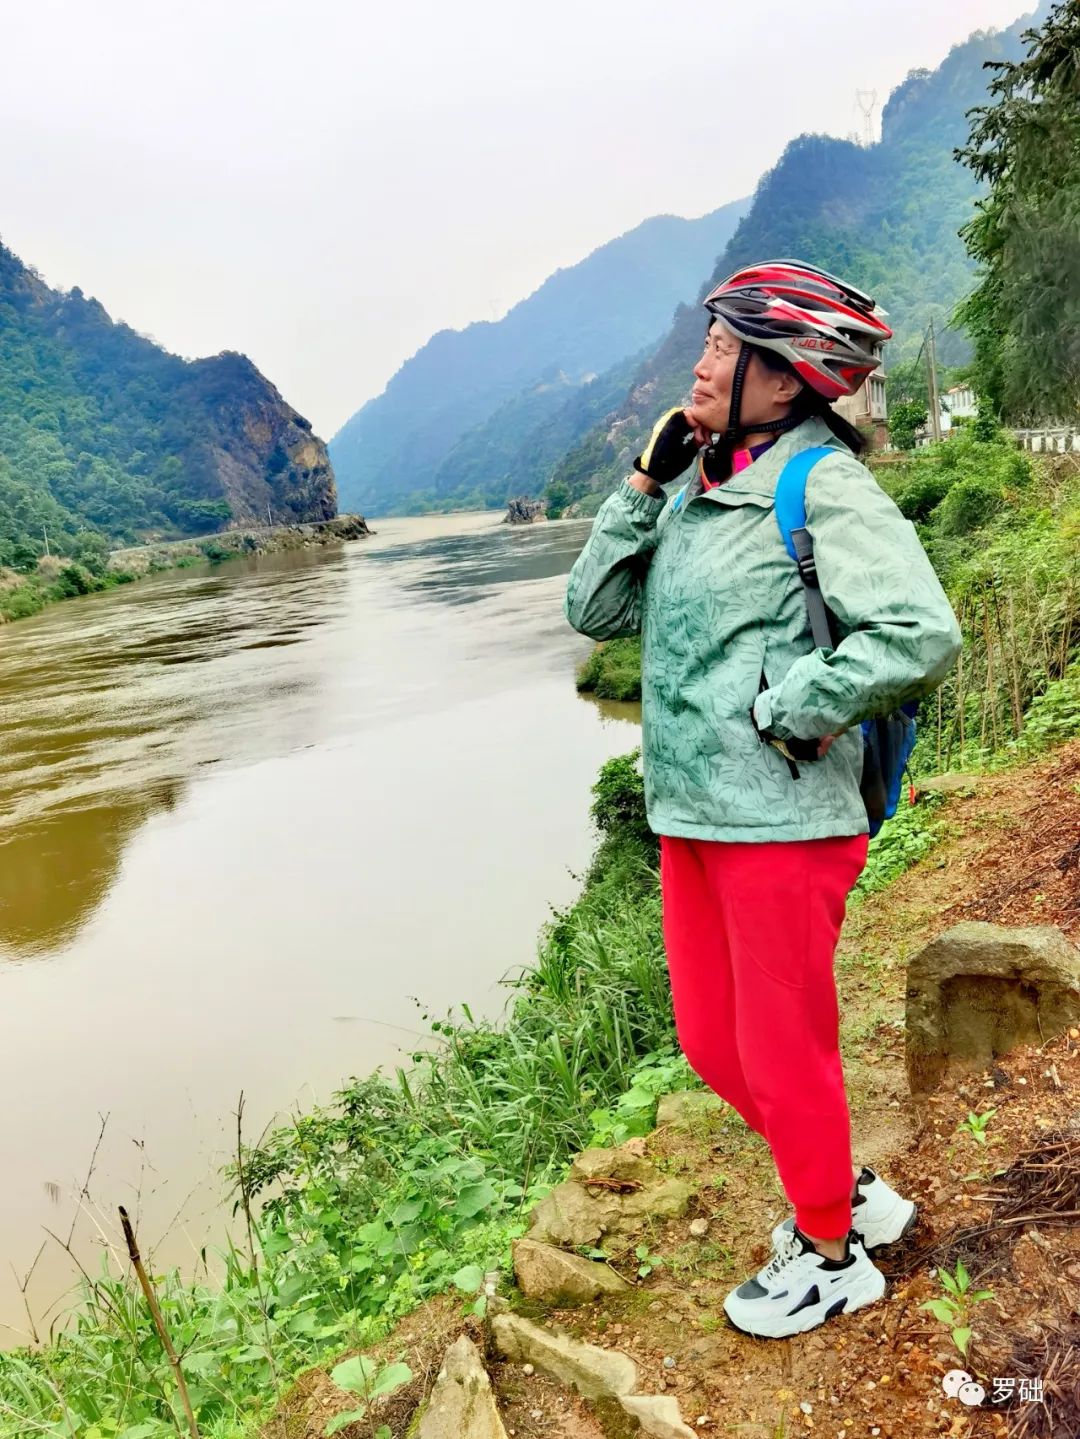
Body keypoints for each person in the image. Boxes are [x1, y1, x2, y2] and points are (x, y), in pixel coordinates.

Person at [563, 259, 962, 1340]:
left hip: (784, 819)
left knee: (785, 1044)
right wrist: (645, 484)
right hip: (691, 812)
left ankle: (832, 1254)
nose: (700, 362)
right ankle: (844, 1182)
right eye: (707, 342)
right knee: (709, 1042)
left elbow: (920, 631)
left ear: (784, 380)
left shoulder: (818, 482)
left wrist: (796, 704)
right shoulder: (700, 488)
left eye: (725, 348)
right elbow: (593, 609)